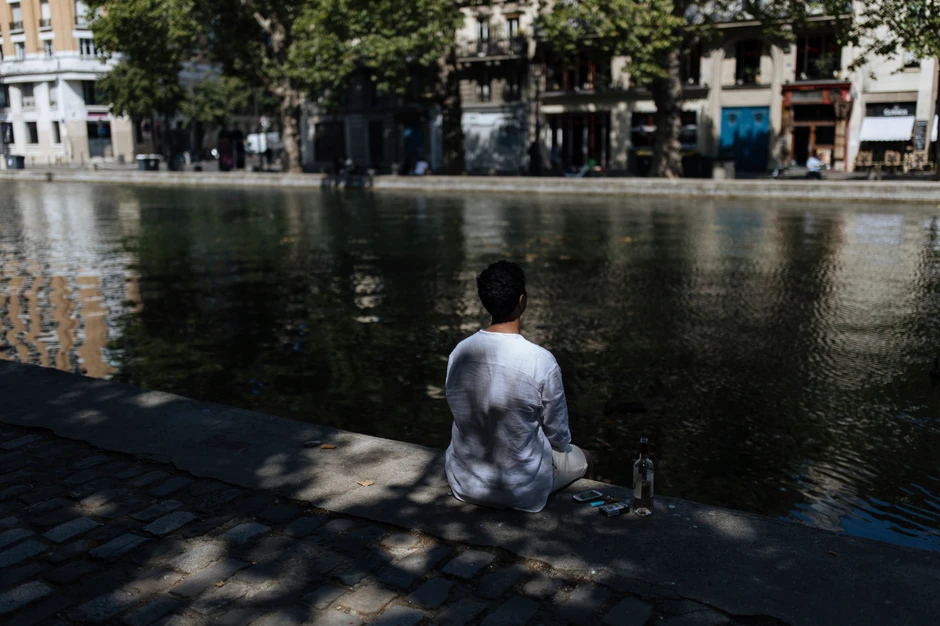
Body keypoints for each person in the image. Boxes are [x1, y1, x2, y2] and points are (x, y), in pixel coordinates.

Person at [444, 261, 594, 512]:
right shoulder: (540, 360)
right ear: (521, 301)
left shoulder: (460, 353)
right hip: (522, 490)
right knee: (587, 458)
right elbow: (559, 437)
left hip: (465, 483)